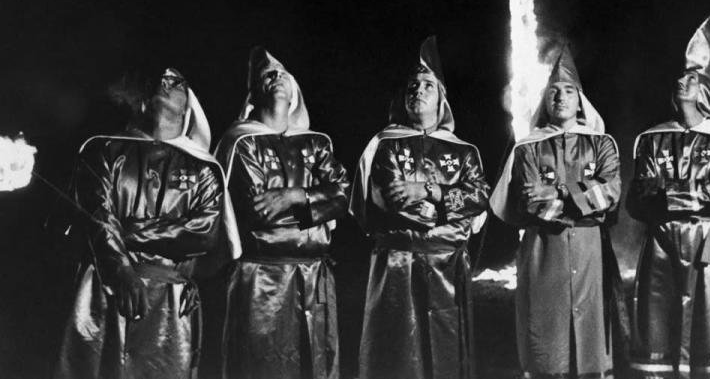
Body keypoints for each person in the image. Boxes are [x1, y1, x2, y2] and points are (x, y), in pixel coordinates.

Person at [55, 67, 240, 379]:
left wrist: (124, 230)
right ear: (140, 101)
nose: (165, 83)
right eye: (159, 80)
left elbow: (201, 234)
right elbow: (97, 213)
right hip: (103, 292)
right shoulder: (101, 149)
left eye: (177, 81)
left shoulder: (204, 169)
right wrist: (121, 270)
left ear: (188, 104)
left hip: (169, 300)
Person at [349, 36, 489, 379]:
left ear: (441, 99)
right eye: (413, 85)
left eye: (427, 85)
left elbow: (478, 196)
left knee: (447, 355)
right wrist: (442, 209)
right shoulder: (385, 145)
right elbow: (392, 201)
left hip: (447, 267)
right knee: (398, 357)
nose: (418, 90)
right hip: (399, 265)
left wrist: (429, 191)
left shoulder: (463, 152)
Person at [626, 16, 710, 379]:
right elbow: (643, 190)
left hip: (707, 244)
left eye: (692, 79)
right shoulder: (651, 138)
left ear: (706, 89)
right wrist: (688, 196)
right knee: (657, 322)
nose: (683, 82)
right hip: (663, 242)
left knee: (707, 323)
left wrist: (672, 195)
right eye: (681, 77)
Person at [216, 47, 350, 379]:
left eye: (283, 74)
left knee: (315, 363)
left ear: (295, 91)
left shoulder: (316, 144)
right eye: (268, 75)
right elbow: (259, 213)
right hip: (262, 279)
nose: (276, 78)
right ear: (255, 92)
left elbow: (346, 195)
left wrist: (296, 196)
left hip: (313, 276)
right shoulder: (241, 143)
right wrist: (319, 210)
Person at [490, 45, 622, 379]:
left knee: (590, 330)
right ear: (545, 102)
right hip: (543, 251)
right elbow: (531, 202)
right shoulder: (529, 147)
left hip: (590, 251)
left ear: (580, 100)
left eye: (567, 91)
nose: (560, 98)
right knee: (546, 332)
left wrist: (560, 193)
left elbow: (610, 192)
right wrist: (582, 200)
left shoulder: (602, 143)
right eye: (553, 92)